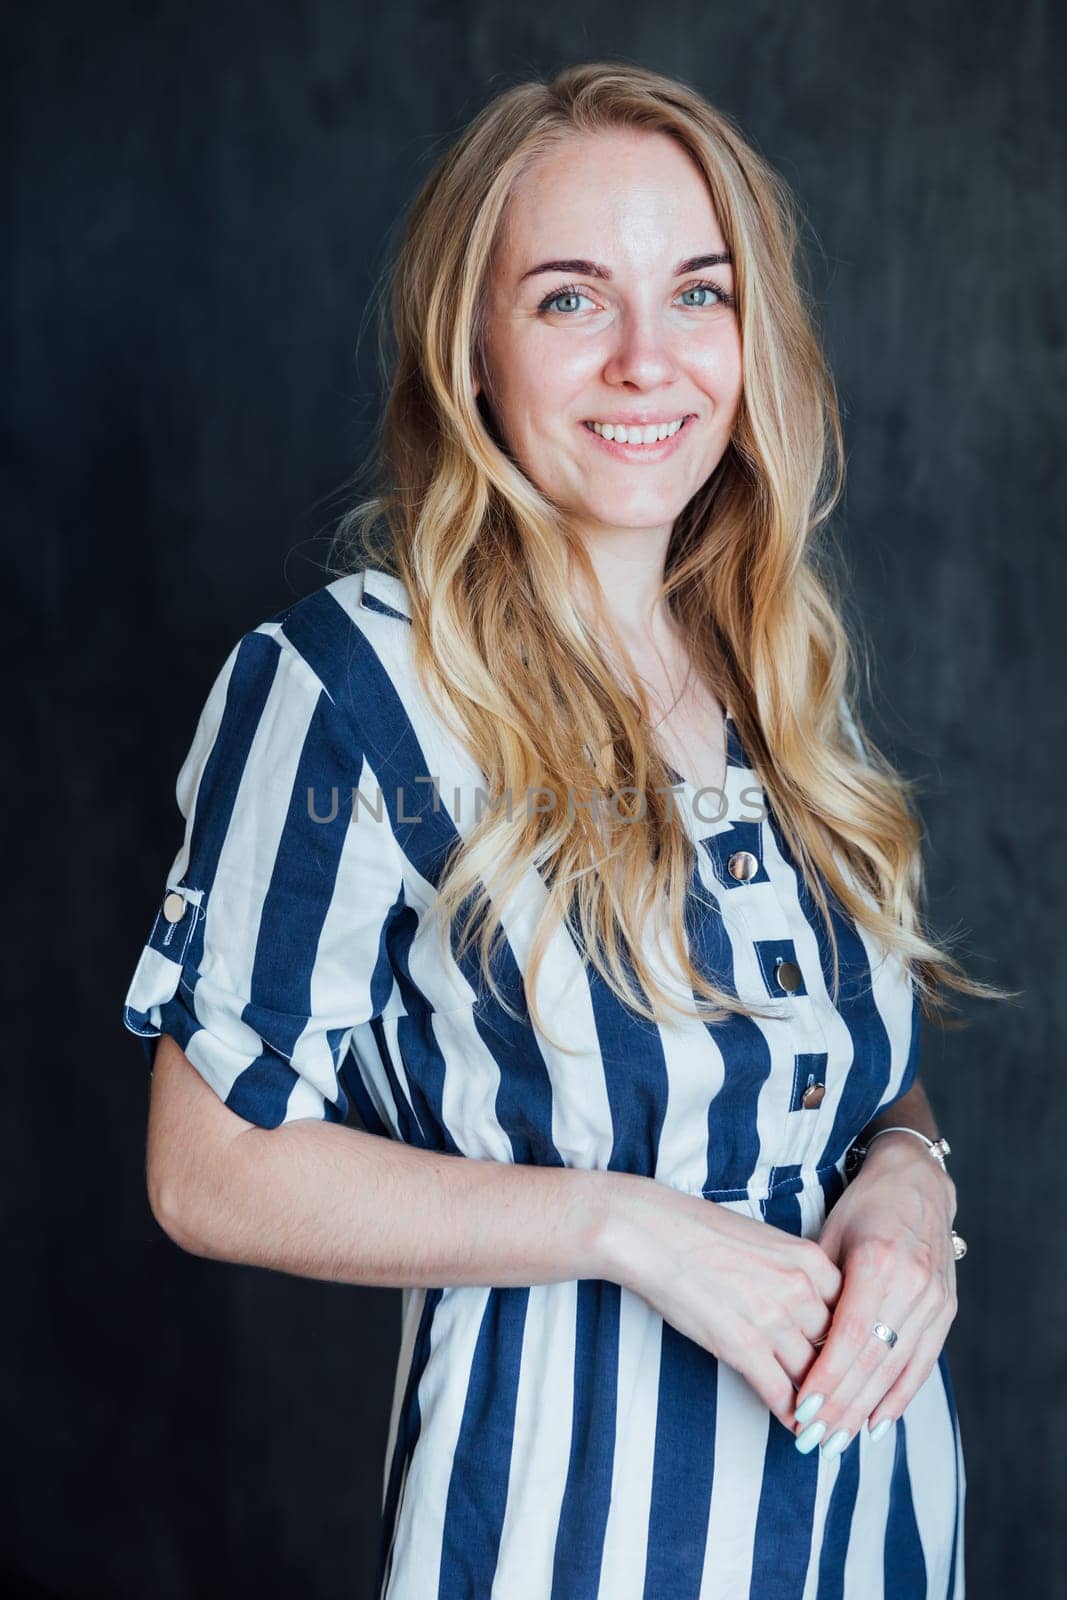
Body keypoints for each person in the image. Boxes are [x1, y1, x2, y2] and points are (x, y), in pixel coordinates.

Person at [122, 61, 1009, 1598]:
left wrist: (911, 1180)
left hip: (878, 1534)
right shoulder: (355, 687)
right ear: (472, 348)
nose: (648, 363)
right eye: (571, 301)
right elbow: (208, 1168)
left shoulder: (776, 674)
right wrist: (630, 1231)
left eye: (698, 294)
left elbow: (828, 1066)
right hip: (563, 1542)